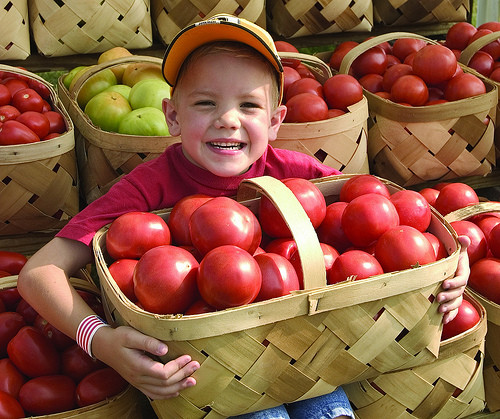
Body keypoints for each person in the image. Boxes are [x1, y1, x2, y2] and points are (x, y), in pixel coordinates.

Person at [18, 14, 470, 419]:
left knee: (324, 408)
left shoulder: (296, 175)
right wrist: (100, 341)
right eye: (205, 103)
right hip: (211, 373)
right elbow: (38, 273)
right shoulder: (146, 187)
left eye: (249, 106)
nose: (228, 119)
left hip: (306, 352)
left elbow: (398, 215)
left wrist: (453, 260)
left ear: (277, 120)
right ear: (172, 116)